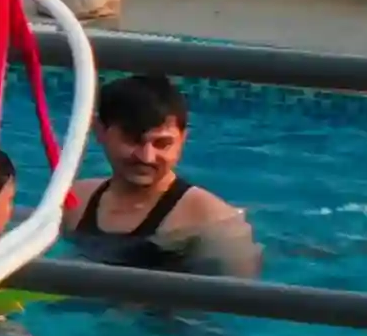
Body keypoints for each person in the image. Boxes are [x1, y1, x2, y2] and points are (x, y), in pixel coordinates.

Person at [65, 76, 258, 278]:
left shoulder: (212, 220)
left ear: (182, 140)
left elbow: (235, 299)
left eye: (162, 143)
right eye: (132, 140)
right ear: (99, 131)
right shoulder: (76, 200)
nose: (147, 157)